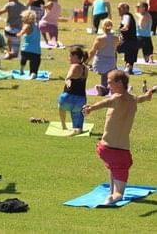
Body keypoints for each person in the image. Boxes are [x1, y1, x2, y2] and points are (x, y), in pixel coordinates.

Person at [83, 71, 156, 205]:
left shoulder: (120, 98)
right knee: (119, 193)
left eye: (110, 82)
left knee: (112, 166)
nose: (107, 84)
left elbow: (106, 102)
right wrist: (92, 108)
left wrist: (90, 108)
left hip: (105, 149)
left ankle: (111, 192)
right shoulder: (131, 99)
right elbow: (107, 102)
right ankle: (112, 197)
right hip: (120, 153)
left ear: (120, 83)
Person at [58, 47, 89, 135]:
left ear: (75, 56)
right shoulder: (85, 68)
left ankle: (63, 125)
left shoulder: (74, 66)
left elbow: (68, 77)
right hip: (81, 99)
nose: (69, 58)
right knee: (77, 118)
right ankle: (77, 129)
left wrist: (68, 81)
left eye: (70, 56)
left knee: (60, 105)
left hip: (68, 97)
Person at [86, 19, 119, 96]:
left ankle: (103, 88)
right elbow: (114, 52)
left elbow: (92, 52)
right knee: (109, 77)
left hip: (100, 63)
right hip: (111, 63)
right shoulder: (116, 38)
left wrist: (86, 62)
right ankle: (104, 88)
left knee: (106, 77)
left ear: (103, 27)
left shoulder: (99, 38)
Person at [17, 10, 41, 79]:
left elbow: (21, 33)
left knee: (23, 59)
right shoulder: (36, 26)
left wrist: (18, 34)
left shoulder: (27, 26)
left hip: (26, 50)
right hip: (36, 51)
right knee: (34, 65)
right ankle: (33, 73)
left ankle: (21, 69)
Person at [116, 3, 138, 74]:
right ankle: (129, 67)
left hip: (128, 42)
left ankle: (112, 66)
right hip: (134, 43)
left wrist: (119, 30)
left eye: (120, 8)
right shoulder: (128, 16)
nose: (118, 10)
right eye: (117, 8)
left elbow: (126, 26)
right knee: (129, 64)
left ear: (126, 9)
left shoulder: (126, 16)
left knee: (111, 48)